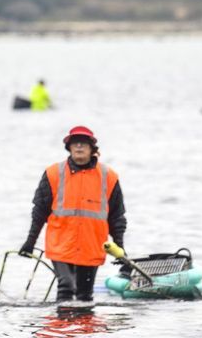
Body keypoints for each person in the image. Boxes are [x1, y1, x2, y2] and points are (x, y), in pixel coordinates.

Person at [19, 125, 127, 302]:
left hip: (92, 245)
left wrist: (119, 247)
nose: (78, 146)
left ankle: (85, 329)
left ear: (92, 149)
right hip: (61, 244)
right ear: (68, 148)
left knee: (85, 295)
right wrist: (30, 241)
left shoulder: (109, 176)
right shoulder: (53, 173)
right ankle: (62, 328)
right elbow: (39, 211)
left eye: (83, 143)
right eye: (75, 143)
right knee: (67, 285)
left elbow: (117, 216)